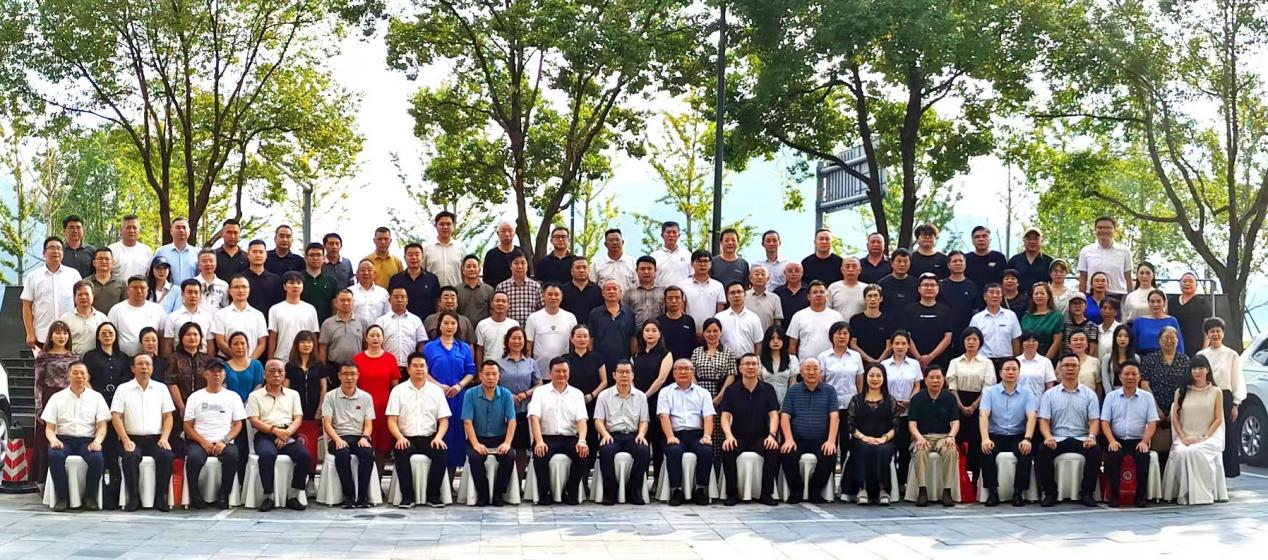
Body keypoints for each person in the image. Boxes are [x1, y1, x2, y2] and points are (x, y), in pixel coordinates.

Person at [111, 351, 177, 512]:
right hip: (132, 438)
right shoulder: (123, 389)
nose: (144, 367)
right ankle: (134, 498)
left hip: (156, 438)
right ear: (133, 368)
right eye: (140, 364)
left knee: (167, 456)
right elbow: (116, 416)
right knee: (130, 457)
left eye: (148, 364)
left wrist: (164, 438)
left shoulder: (161, 389)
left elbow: (168, 416)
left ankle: (160, 497)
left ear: (152, 368)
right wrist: (125, 439)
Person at [42, 362, 110, 511]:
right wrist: (53, 440)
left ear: (88, 376)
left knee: (97, 459)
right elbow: (49, 428)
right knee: (55, 456)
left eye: (82, 373)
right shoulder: (57, 398)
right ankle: (62, 497)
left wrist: (97, 441)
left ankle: (90, 497)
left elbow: (102, 426)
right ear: (68, 376)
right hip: (63, 439)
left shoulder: (96, 397)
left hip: (87, 440)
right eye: (75, 373)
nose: (79, 376)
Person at [387, 353, 452, 508]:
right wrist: (399, 437)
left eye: (422, 366)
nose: (419, 369)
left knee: (441, 453)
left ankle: (433, 496)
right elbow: (391, 420)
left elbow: (444, 420)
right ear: (408, 369)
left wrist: (439, 437)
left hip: (429, 437)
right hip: (406, 437)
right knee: (401, 453)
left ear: (427, 368)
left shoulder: (436, 391)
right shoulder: (398, 391)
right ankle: (407, 497)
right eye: (415, 366)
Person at [1035, 355, 1101, 507]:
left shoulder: (1089, 394)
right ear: (1059, 369)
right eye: (1066, 365)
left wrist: (1091, 436)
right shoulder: (1049, 394)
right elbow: (1043, 421)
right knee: (1042, 450)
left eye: (1074, 365)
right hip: (1057, 438)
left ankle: (1086, 493)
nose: (1070, 368)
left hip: (1081, 438)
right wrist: (1048, 436)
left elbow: (1094, 420)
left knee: (1095, 450)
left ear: (1079, 368)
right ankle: (1050, 493)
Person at [246, 359, 311, 511]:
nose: (276, 374)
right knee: (267, 455)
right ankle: (268, 496)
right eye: (272, 371)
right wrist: (275, 431)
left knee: (305, 455)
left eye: (280, 371)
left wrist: (286, 434)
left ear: (284, 374)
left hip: (288, 434)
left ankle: (293, 495)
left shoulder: (293, 394)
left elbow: (298, 418)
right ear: (264, 374)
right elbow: (254, 421)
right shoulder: (255, 396)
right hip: (265, 434)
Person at [182, 360, 247, 509]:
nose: (217, 374)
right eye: (213, 371)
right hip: (199, 441)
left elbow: (238, 424)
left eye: (220, 371)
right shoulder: (195, 397)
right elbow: (187, 426)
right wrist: (202, 442)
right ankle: (195, 495)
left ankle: (224, 494)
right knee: (193, 458)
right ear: (205, 374)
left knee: (232, 456)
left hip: (224, 441)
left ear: (224, 375)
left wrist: (224, 441)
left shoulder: (233, 397)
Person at [528, 357, 590, 506]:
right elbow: (534, 418)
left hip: (569, 437)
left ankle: (571, 491)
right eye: (557, 371)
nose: (561, 374)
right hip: (546, 437)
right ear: (550, 373)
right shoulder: (540, 392)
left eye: (564, 371)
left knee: (582, 453)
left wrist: (582, 440)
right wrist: (539, 441)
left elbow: (582, 420)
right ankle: (545, 493)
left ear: (569, 372)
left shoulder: (577, 394)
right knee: (540, 454)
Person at [719, 354, 780, 506]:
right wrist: (728, 436)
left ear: (759, 368)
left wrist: (772, 435)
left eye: (754, 364)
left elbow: (773, 415)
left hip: (761, 437)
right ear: (740, 368)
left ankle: (766, 493)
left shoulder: (768, 389)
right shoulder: (731, 390)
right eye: (747, 364)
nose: (751, 367)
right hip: (738, 436)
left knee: (773, 449)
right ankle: (732, 494)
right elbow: (725, 416)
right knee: (727, 449)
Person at [1164, 356, 1226, 505]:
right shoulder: (1181, 392)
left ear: (1207, 370)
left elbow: (1218, 419)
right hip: (1185, 437)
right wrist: (1183, 437)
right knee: (1182, 452)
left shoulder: (1216, 392)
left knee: (1195, 451)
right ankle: (1184, 494)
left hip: (1209, 437)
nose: (1197, 371)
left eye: (1200, 368)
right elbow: (1175, 418)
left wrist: (1204, 437)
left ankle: (1201, 494)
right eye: (1194, 368)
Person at [779, 358, 839, 504]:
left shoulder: (829, 391)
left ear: (821, 372)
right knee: (787, 453)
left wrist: (831, 441)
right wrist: (788, 439)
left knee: (829, 455)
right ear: (801, 372)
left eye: (815, 369)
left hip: (821, 439)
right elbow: (785, 416)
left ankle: (814, 490)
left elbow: (834, 416)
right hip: (797, 439)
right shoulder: (793, 391)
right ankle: (796, 490)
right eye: (807, 369)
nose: (811, 372)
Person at [658, 359, 717, 506]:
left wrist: (707, 436)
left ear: (693, 372)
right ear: (673, 373)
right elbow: (664, 416)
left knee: (706, 450)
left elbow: (708, 417)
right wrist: (670, 436)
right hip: (675, 434)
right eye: (679, 369)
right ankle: (676, 491)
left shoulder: (703, 393)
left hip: (697, 434)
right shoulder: (665, 392)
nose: (683, 372)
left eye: (687, 368)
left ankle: (700, 490)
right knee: (674, 451)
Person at [1100, 360, 1158, 508]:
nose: (1130, 377)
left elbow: (1152, 422)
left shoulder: (1147, 397)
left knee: (1143, 457)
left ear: (1139, 377)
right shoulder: (1111, 396)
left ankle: (1140, 497)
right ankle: (1114, 496)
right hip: (1117, 439)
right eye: (1126, 374)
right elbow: (1105, 422)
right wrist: (1111, 440)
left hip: (1139, 440)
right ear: (1120, 377)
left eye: (1134, 374)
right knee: (1113, 456)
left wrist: (1145, 441)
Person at [594, 360, 652, 505]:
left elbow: (644, 420)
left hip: (632, 435)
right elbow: (598, 420)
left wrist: (641, 434)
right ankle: (610, 492)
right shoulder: (604, 395)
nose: (624, 375)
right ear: (614, 375)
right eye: (620, 372)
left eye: (627, 372)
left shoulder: (641, 396)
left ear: (633, 375)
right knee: (606, 451)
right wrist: (605, 434)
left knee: (643, 450)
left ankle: (633, 490)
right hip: (611, 434)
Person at [424, 312, 477, 471]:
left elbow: (470, 372)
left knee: (456, 434)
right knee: (438, 432)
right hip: (435, 396)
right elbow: (424, 372)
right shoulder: (430, 347)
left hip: (458, 397)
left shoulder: (464, 347)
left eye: (453, 323)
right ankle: (437, 477)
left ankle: (451, 476)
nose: (449, 327)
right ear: (439, 325)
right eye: (446, 323)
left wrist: (459, 386)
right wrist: (439, 386)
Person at [462, 361, 518, 506]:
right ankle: (483, 494)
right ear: (480, 376)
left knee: (509, 456)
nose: (491, 377)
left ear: (499, 376)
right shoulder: (470, 394)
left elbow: (512, 421)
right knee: (475, 458)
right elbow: (467, 422)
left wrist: (507, 443)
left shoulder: (506, 394)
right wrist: (475, 444)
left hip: (500, 438)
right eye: (487, 374)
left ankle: (499, 493)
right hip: (477, 438)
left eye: (494, 374)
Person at [321, 362, 376, 509]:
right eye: (345, 374)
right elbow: (327, 424)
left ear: (358, 376)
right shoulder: (330, 396)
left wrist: (365, 437)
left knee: (367, 453)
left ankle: (363, 497)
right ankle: (349, 496)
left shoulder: (366, 397)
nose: (349, 378)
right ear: (339, 376)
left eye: (353, 374)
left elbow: (368, 424)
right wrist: (337, 440)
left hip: (359, 436)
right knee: (342, 453)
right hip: (338, 436)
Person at [906, 365, 960, 507]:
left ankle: (947, 491)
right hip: (923, 436)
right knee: (920, 451)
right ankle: (922, 490)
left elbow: (955, 423)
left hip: (943, 436)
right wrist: (919, 438)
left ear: (944, 380)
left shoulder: (950, 398)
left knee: (951, 450)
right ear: (925, 380)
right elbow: (912, 424)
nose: (935, 381)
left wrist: (951, 437)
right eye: (931, 377)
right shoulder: (917, 398)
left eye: (938, 378)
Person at [1197, 317, 1245, 478]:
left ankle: (1227, 474)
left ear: (1223, 333)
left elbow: (1237, 379)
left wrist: (1236, 403)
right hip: (1205, 396)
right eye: (1212, 331)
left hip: (1225, 397)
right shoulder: (1201, 355)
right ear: (1207, 334)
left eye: (1218, 331)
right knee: (1206, 432)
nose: (1215, 334)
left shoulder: (1231, 354)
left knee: (1228, 434)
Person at [946, 327, 996, 480]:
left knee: (976, 440)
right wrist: (961, 406)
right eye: (968, 339)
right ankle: (958, 477)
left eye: (975, 339)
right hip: (957, 402)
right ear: (963, 342)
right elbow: (952, 386)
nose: (971, 342)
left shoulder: (987, 363)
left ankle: (975, 478)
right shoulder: (955, 362)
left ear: (980, 342)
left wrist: (974, 406)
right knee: (959, 439)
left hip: (980, 403)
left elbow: (988, 387)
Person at [32, 325, 79, 484]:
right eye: (58, 333)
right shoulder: (43, 356)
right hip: (49, 397)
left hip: (69, 399)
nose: (62, 336)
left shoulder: (74, 357)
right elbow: (38, 384)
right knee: (45, 438)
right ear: (51, 336)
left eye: (65, 333)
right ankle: (43, 481)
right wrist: (39, 408)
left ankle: (66, 479)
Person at [845, 364, 897, 504]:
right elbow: (850, 425)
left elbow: (895, 426)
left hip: (885, 440)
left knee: (882, 450)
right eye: (871, 375)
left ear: (884, 379)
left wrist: (883, 439)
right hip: (860, 439)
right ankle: (862, 489)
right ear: (866, 377)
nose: (875, 379)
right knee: (864, 448)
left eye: (878, 376)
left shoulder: (890, 400)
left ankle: (883, 489)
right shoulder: (856, 400)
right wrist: (864, 437)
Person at [690, 319, 737, 465]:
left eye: (715, 331)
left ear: (720, 332)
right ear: (703, 333)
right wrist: (698, 393)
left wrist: (720, 396)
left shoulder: (728, 352)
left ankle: (718, 466)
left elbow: (731, 374)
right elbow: (691, 373)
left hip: (720, 392)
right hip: (699, 393)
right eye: (708, 331)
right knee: (701, 427)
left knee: (718, 430)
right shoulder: (697, 352)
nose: (712, 334)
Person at [164, 323, 216, 454]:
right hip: (180, 405)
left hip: (203, 406)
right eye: (188, 334)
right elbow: (172, 383)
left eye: (195, 334)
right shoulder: (174, 358)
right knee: (178, 442)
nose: (192, 337)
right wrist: (182, 407)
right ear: (181, 338)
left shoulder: (207, 359)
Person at [22, 237, 81, 350]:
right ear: (44, 253)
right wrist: (30, 333)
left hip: (68, 335)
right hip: (42, 335)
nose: (56, 251)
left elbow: (80, 302)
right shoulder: (33, 276)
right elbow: (26, 306)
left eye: (59, 248)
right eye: (52, 248)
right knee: (44, 362)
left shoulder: (73, 274)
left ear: (63, 253)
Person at [818, 322, 864, 466]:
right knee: (830, 441)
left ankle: (845, 475)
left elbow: (859, 381)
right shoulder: (824, 356)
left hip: (851, 405)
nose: (842, 337)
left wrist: (861, 401)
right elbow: (820, 382)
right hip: (830, 406)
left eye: (845, 333)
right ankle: (829, 475)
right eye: (838, 333)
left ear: (850, 337)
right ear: (832, 337)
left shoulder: (856, 356)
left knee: (847, 442)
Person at [631, 321, 672, 480]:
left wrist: (645, 396)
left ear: (659, 334)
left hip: (657, 401)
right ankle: (639, 480)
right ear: (642, 334)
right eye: (647, 330)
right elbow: (631, 378)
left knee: (657, 440)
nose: (650, 333)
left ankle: (657, 481)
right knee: (641, 440)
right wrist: (637, 396)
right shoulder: (636, 355)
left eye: (654, 330)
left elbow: (661, 379)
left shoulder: (666, 354)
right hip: (637, 402)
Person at [881, 330, 922, 488]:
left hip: (907, 412)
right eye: (897, 343)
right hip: (888, 413)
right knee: (888, 448)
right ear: (891, 345)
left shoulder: (914, 364)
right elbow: (880, 387)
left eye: (903, 343)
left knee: (904, 449)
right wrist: (893, 403)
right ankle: (887, 483)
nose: (900, 346)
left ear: (908, 346)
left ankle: (902, 482)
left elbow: (917, 385)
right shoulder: (884, 365)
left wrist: (909, 401)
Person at [496, 327, 540, 475]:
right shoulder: (498, 363)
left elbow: (539, 384)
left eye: (520, 338)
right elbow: (493, 384)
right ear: (507, 341)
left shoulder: (531, 362)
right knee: (505, 446)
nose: (517, 341)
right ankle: (504, 481)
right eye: (513, 338)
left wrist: (526, 394)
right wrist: (508, 395)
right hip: (503, 411)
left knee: (521, 448)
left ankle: (518, 480)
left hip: (523, 410)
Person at [354, 325, 399, 464]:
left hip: (384, 408)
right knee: (364, 444)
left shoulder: (390, 359)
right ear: (366, 338)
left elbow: (395, 386)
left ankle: (379, 477)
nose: (375, 338)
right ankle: (364, 476)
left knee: (382, 446)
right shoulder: (357, 359)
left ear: (383, 338)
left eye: (378, 335)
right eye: (372, 335)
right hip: (362, 409)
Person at [223, 331, 264, 481]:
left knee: (249, 444)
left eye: (242, 343)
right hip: (231, 411)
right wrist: (235, 405)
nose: (239, 346)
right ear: (230, 347)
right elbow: (224, 387)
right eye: (235, 344)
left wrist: (247, 404)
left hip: (250, 409)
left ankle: (247, 480)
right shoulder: (225, 366)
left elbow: (259, 385)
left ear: (248, 345)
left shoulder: (256, 365)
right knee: (236, 445)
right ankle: (235, 479)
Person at [286, 331, 327, 468]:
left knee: (312, 443)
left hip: (314, 410)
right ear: (297, 345)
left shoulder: (319, 365)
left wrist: (320, 409)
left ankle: (311, 474)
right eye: (303, 342)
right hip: (296, 411)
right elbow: (286, 389)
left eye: (309, 342)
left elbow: (323, 388)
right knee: (299, 442)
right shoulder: (290, 366)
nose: (306, 345)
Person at [525, 284, 578, 374]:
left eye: (556, 294)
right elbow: (528, 346)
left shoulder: (570, 317)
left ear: (561, 296)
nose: (553, 297)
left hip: (562, 372)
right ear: (543, 296)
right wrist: (528, 368)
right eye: (549, 294)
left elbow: (574, 345)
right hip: (539, 371)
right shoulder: (533, 318)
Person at [212, 276, 269, 360]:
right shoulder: (220, 314)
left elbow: (262, 343)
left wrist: (249, 362)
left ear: (249, 289)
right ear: (230, 291)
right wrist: (237, 360)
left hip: (252, 362)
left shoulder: (258, 315)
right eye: (236, 287)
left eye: (244, 287)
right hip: (227, 361)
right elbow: (220, 341)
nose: (241, 290)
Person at [267, 271, 320, 361]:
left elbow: (313, 336)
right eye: (291, 283)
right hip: (281, 358)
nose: (295, 286)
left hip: (304, 360)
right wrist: (270, 359)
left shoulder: (310, 309)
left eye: (298, 283)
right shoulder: (275, 309)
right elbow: (273, 337)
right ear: (284, 286)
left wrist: (315, 359)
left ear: (302, 286)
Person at [787, 281, 845, 362]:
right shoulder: (798, 316)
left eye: (822, 292)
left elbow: (842, 342)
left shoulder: (837, 316)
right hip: (806, 365)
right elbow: (793, 344)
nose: (819, 295)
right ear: (809, 297)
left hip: (831, 364)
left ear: (827, 296)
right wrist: (793, 365)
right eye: (815, 292)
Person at [107, 276, 166, 356]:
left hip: (150, 359)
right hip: (124, 358)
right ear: (128, 290)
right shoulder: (116, 310)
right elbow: (110, 336)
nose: (139, 291)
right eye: (135, 288)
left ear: (148, 290)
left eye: (142, 288)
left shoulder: (158, 309)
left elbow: (162, 336)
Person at [588, 279, 637, 372]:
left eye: (615, 289)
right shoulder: (594, 314)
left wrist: (634, 357)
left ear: (620, 292)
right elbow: (591, 338)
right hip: (601, 362)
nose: (611, 291)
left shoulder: (629, 314)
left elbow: (632, 338)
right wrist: (590, 358)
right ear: (603, 293)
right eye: (608, 289)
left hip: (623, 362)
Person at [907, 273, 954, 370]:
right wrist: (919, 358)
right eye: (925, 285)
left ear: (938, 288)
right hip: (914, 361)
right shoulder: (909, 310)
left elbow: (948, 338)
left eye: (932, 285)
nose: (929, 288)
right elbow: (907, 336)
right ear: (919, 289)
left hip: (939, 360)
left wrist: (931, 357)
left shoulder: (946, 311)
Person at [1077, 216, 1133, 296]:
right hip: (1092, 296)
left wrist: (1130, 298)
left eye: (1108, 228)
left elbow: (1128, 277)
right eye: (1100, 228)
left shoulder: (1125, 251)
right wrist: (1081, 298)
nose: (1103, 230)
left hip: (1118, 296)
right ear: (1095, 230)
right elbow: (1083, 278)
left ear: (1114, 230)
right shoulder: (1085, 251)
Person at [969, 284, 1023, 365]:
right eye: (991, 292)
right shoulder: (977, 319)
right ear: (985, 297)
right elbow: (972, 341)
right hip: (984, 361)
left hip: (1007, 360)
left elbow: (1015, 339)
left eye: (998, 293)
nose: (995, 296)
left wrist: (1016, 359)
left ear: (1002, 297)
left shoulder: (1011, 315)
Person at [375, 287, 428, 368]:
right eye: (396, 297)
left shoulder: (416, 320)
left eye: (403, 297)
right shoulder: (381, 321)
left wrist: (418, 362)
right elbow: (376, 344)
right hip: (386, 366)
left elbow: (421, 344)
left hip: (410, 367)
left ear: (407, 300)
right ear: (389, 300)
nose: (399, 300)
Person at [939, 252, 982, 349]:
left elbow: (975, 312)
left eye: (961, 261)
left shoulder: (972, 286)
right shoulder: (940, 286)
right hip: (943, 333)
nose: (958, 263)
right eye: (954, 261)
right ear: (948, 265)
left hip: (965, 334)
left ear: (965, 264)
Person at [677, 249, 726, 333]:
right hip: (688, 331)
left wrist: (710, 330)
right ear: (692, 264)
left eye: (706, 261)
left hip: (711, 333)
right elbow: (681, 311)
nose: (702, 264)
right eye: (699, 261)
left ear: (710, 264)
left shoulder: (718, 286)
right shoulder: (682, 285)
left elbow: (719, 313)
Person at [390, 243, 442, 321]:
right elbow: (391, 303)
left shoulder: (432, 279)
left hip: (426, 322)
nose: (414, 257)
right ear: (404, 257)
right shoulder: (396, 279)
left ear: (422, 257)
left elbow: (437, 302)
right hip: (401, 322)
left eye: (417, 254)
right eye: (410, 255)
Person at [162, 280, 213, 355]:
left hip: (202, 359)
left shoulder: (207, 317)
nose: (193, 295)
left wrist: (210, 361)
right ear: (182, 294)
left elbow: (210, 344)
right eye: (189, 292)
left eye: (196, 292)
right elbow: (168, 344)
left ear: (200, 295)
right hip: (179, 359)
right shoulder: (172, 317)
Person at [715, 281, 764, 356]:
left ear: (745, 294)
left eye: (739, 292)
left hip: (747, 361)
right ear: (727, 297)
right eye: (732, 293)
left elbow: (758, 343)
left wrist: (756, 359)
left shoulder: (754, 317)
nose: (736, 295)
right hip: (725, 360)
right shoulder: (719, 318)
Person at [320, 289, 368, 365]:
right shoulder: (327, 323)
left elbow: (366, 345)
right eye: (342, 300)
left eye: (349, 300)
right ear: (336, 303)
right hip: (334, 366)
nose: (346, 303)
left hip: (357, 366)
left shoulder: (362, 322)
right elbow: (323, 348)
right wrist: (322, 368)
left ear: (353, 302)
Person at [496, 253, 543, 327]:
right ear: (510, 266)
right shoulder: (502, 287)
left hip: (531, 330)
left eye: (523, 263)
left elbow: (542, 310)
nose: (520, 266)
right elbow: (497, 311)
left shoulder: (536, 287)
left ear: (527, 265)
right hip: (508, 330)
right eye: (516, 263)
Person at [849, 285, 892, 365]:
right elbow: (853, 344)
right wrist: (870, 360)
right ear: (865, 299)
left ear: (881, 299)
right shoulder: (856, 320)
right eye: (869, 296)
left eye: (875, 295)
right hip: (861, 363)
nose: (873, 299)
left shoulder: (888, 320)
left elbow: (889, 345)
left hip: (883, 363)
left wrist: (879, 361)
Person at [1021, 283, 1064, 362]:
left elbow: (1057, 342)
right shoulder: (1026, 317)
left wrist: (1045, 361)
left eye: (1042, 293)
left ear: (1048, 296)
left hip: (1048, 358)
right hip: (1027, 358)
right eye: (1036, 293)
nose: (1039, 296)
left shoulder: (1056, 316)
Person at [1133, 290, 1184, 355]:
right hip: (1143, 357)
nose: (1155, 304)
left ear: (1164, 303)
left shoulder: (1172, 321)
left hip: (1167, 357)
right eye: (1152, 301)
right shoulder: (1139, 321)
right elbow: (1132, 345)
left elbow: (1179, 345)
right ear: (1148, 303)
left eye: (1159, 301)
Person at [60, 281, 105, 356]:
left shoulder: (102, 318)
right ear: (74, 297)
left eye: (87, 294)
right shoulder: (65, 319)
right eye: (80, 294)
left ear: (93, 296)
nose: (83, 297)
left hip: (96, 360)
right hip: (72, 360)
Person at [424, 211, 467, 288]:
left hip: (456, 292)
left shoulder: (461, 247)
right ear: (436, 226)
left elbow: (465, 273)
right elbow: (421, 272)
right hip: (433, 292)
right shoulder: (426, 248)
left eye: (448, 224)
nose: (445, 227)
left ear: (453, 226)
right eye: (442, 224)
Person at [474, 292, 518, 365]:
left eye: (504, 301)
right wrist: (479, 369)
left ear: (508, 305)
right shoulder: (482, 325)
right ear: (491, 304)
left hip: (509, 366)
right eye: (497, 301)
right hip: (489, 367)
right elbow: (479, 349)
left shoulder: (514, 325)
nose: (500, 303)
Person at [300, 243, 340, 323]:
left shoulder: (331, 281)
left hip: (325, 324)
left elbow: (334, 307)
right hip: (302, 323)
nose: (315, 258)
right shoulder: (298, 279)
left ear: (324, 258)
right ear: (305, 258)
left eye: (318, 255)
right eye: (312, 255)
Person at [759, 325, 799, 404]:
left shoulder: (792, 359)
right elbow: (759, 385)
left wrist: (787, 404)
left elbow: (792, 384)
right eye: (772, 338)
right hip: (764, 400)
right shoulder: (759, 360)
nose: (776, 341)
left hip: (786, 399)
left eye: (779, 338)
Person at [656, 286, 697, 361]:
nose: (674, 301)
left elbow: (693, 344)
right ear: (665, 301)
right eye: (670, 298)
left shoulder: (689, 320)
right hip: (664, 363)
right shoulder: (658, 321)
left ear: (682, 301)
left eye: (677, 298)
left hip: (684, 364)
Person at [109, 214, 154, 281]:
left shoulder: (147, 251)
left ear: (139, 231)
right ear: (121, 230)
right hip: (117, 288)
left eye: (134, 228)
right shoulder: (112, 250)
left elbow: (151, 276)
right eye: (128, 227)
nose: (131, 230)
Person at [623, 256, 665, 327]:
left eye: (649, 269)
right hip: (635, 330)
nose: (646, 272)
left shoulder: (663, 290)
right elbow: (625, 314)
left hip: (658, 331)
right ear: (636, 271)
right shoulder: (629, 291)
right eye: (642, 269)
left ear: (655, 270)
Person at [154, 218, 199, 283]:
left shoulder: (197, 253)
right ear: (171, 231)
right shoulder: (161, 252)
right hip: (167, 289)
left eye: (184, 227)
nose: (181, 230)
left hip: (191, 289)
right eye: (178, 227)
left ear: (189, 231)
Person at [1173, 273, 1208, 356]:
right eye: (1184, 281)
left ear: (1196, 285)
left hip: (1196, 346)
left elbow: (1207, 327)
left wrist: (1204, 349)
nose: (1187, 284)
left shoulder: (1202, 303)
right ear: (1180, 284)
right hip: (1175, 346)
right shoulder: (1172, 302)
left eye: (1191, 281)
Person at [243, 240, 282, 314]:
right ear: (248, 255)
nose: (258, 255)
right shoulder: (241, 279)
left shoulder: (275, 279)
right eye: (254, 252)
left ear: (266, 255)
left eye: (261, 252)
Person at [650, 222, 692, 289]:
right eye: (668, 232)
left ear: (679, 235)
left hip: (683, 294)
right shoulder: (654, 256)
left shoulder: (687, 255)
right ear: (662, 235)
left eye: (674, 232)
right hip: (661, 293)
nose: (671, 235)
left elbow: (692, 275)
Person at [457, 255, 495, 327]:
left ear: (479, 270)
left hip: (483, 329)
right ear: (463, 270)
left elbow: (492, 311)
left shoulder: (489, 290)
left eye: (474, 266)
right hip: (462, 329)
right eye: (468, 266)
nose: (472, 269)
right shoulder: (456, 290)